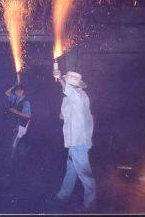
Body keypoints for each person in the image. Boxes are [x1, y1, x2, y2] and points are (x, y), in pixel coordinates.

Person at [52, 70, 96, 211]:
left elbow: (71, 94)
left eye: (67, 82)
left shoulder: (80, 96)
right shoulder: (70, 98)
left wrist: (60, 79)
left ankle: (90, 201)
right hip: (72, 140)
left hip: (79, 140)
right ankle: (63, 195)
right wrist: (63, 115)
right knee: (71, 170)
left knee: (84, 172)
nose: (66, 85)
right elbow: (64, 115)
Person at [5, 83, 31, 158]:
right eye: (15, 91)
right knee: (13, 143)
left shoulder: (26, 102)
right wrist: (15, 85)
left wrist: (17, 112)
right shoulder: (16, 98)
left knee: (14, 144)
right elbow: (7, 93)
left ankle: (12, 161)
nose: (16, 93)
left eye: (17, 91)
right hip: (16, 124)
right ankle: (13, 160)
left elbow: (28, 115)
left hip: (22, 126)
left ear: (22, 91)